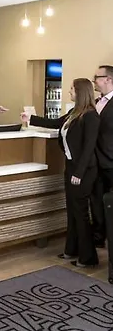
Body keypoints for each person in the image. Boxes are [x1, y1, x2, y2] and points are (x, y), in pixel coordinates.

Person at [21, 78, 100, 268]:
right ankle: (71, 250)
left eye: (72, 89)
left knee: (80, 213)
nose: (69, 91)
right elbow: (55, 123)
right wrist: (30, 118)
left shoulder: (91, 116)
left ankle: (88, 257)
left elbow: (89, 148)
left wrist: (79, 173)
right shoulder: (74, 113)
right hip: (71, 167)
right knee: (71, 211)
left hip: (83, 171)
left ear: (80, 92)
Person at [90, 65, 113, 247]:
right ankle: (98, 238)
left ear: (108, 79)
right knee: (96, 203)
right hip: (94, 163)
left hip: (111, 163)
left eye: (97, 77)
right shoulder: (95, 103)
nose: (94, 81)